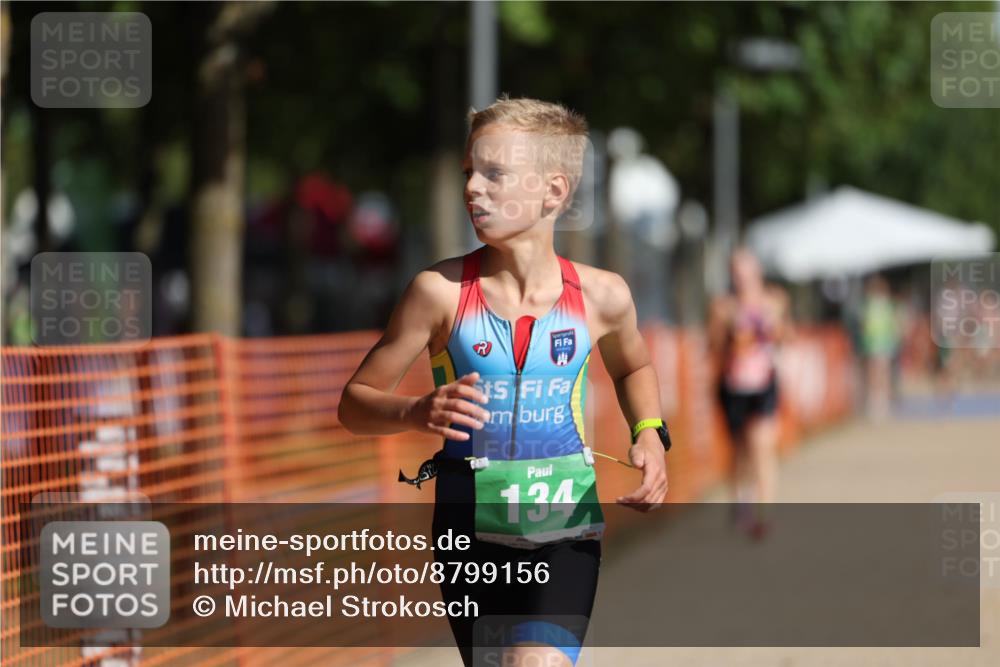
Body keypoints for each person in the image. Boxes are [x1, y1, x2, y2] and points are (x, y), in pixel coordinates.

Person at [338, 96, 670, 667]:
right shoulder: (437, 293)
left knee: (532, 663)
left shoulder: (602, 296)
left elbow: (633, 366)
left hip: (565, 527)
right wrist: (415, 411)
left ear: (554, 192)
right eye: (470, 172)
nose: (473, 189)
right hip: (468, 533)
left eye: (495, 174)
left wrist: (649, 432)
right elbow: (354, 404)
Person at [708, 249, 789, 539]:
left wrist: (773, 327)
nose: (742, 278)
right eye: (737, 272)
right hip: (733, 386)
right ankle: (740, 501)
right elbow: (714, 346)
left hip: (764, 384)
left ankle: (763, 513)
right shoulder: (723, 306)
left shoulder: (775, 301)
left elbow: (785, 338)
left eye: (747, 271)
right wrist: (730, 334)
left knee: (763, 447)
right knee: (740, 451)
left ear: (757, 272)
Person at [860, 274, 902, 419]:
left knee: (880, 374)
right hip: (876, 344)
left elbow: (893, 325)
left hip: (882, 344)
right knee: (877, 374)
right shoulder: (874, 305)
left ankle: (880, 402)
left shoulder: (880, 305)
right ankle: (877, 402)